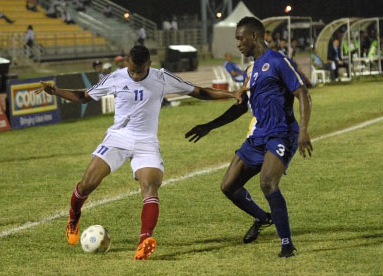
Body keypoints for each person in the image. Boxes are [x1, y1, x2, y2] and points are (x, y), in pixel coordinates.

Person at [35, 45, 245, 260]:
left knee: (150, 187)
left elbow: (198, 91)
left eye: (140, 71)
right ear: (127, 62)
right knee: (88, 183)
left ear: (149, 65)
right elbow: (83, 96)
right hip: (118, 138)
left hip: (147, 142)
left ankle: (144, 241)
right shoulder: (115, 78)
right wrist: (56, 91)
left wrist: (230, 94)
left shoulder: (161, 78)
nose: (136, 75)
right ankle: (74, 217)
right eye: (133, 70)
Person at [185, 17, 312, 258]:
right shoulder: (250, 71)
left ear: (254, 36)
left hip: (281, 132)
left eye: (240, 38)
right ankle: (262, 217)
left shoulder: (277, 61)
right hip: (259, 134)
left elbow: (302, 93)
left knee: (267, 183)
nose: (238, 44)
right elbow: (241, 107)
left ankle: (286, 244)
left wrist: (304, 130)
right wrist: (209, 126)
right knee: (228, 186)